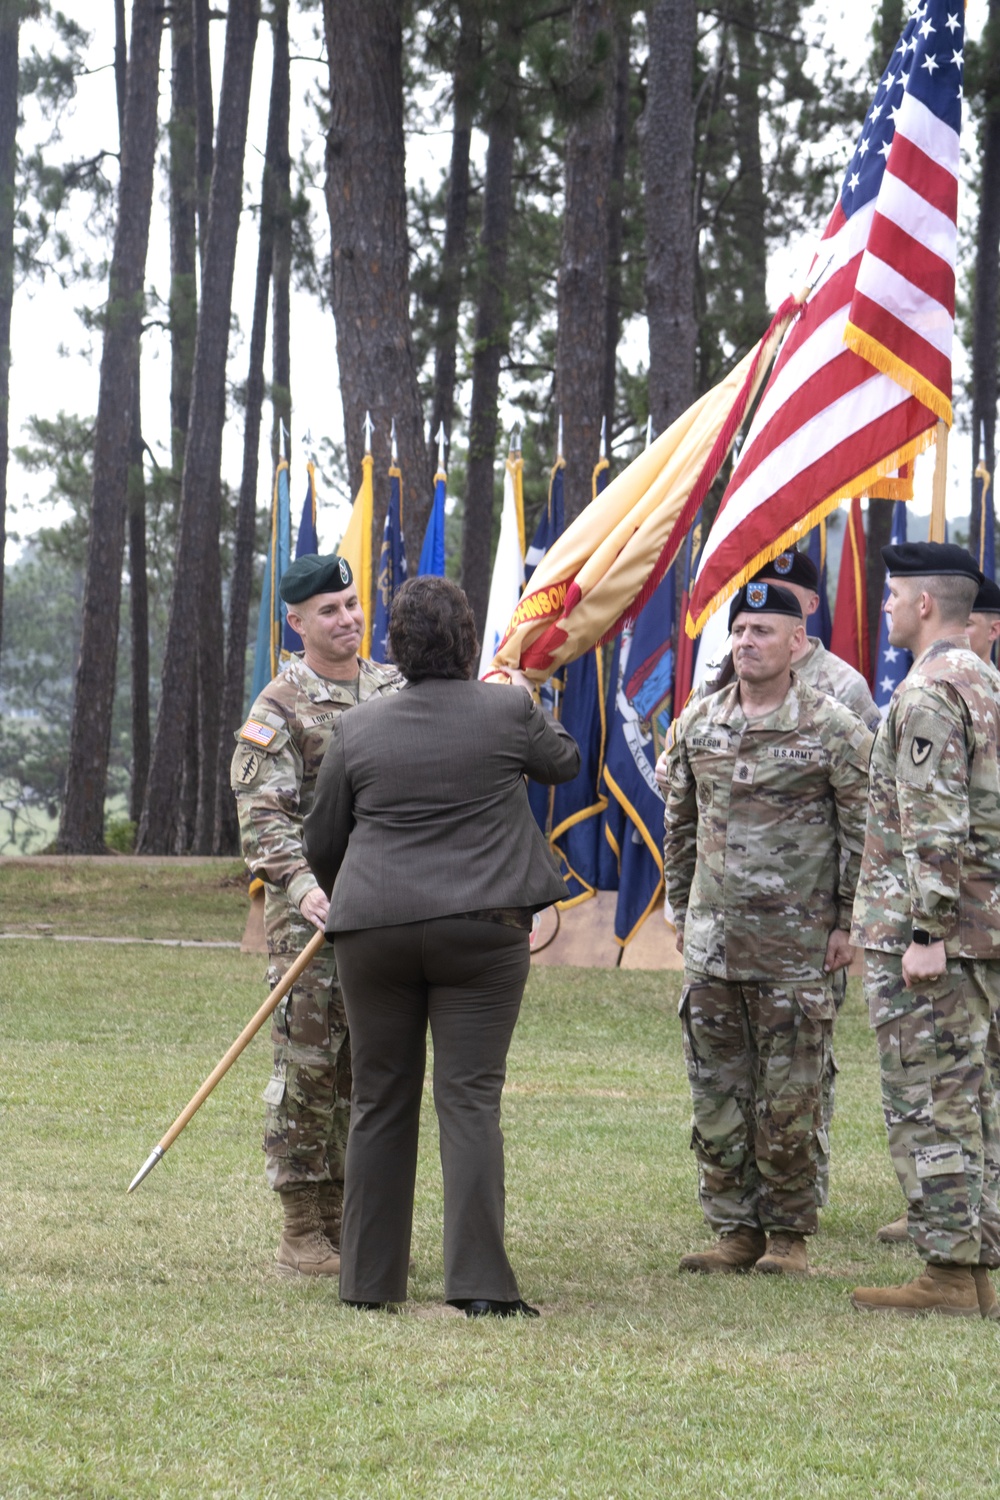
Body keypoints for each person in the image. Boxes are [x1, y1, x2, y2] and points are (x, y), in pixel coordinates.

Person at [302, 576, 580, 1316]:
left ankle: (367, 1284)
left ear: (396, 645)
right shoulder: (507, 709)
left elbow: (323, 840)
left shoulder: (357, 727)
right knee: (469, 1101)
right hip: (483, 932)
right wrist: (521, 687)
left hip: (374, 931)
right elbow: (565, 763)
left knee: (379, 1102)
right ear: (467, 644)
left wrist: (362, 899)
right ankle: (481, 1287)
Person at [660, 580, 872, 1276]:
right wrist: (678, 904)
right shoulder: (700, 722)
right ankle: (733, 1230)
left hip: (798, 949)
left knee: (790, 1098)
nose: (747, 643)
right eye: (740, 631)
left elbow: (863, 829)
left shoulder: (832, 727)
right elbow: (682, 824)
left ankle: (788, 1236)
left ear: (797, 643)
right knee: (717, 1095)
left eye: (763, 631)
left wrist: (850, 920)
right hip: (713, 947)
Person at [231, 552, 400, 1277]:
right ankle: (303, 1227)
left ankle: (349, 1220)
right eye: (329, 611)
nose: (348, 619)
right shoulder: (279, 705)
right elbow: (262, 817)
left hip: (389, 911)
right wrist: (302, 889)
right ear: (294, 622)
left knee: (371, 1066)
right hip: (315, 919)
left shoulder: (394, 688)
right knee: (310, 1069)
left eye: (354, 603)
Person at [851, 542, 1000, 1319]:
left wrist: (925, 930)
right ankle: (972, 1274)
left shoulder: (930, 692)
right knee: (972, 1097)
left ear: (923, 606)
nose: (884, 609)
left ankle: (945, 1274)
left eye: (892, 596)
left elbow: (933, 823)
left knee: (930, 1100)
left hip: (939, 936)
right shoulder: (987, 682)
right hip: (986, 930)